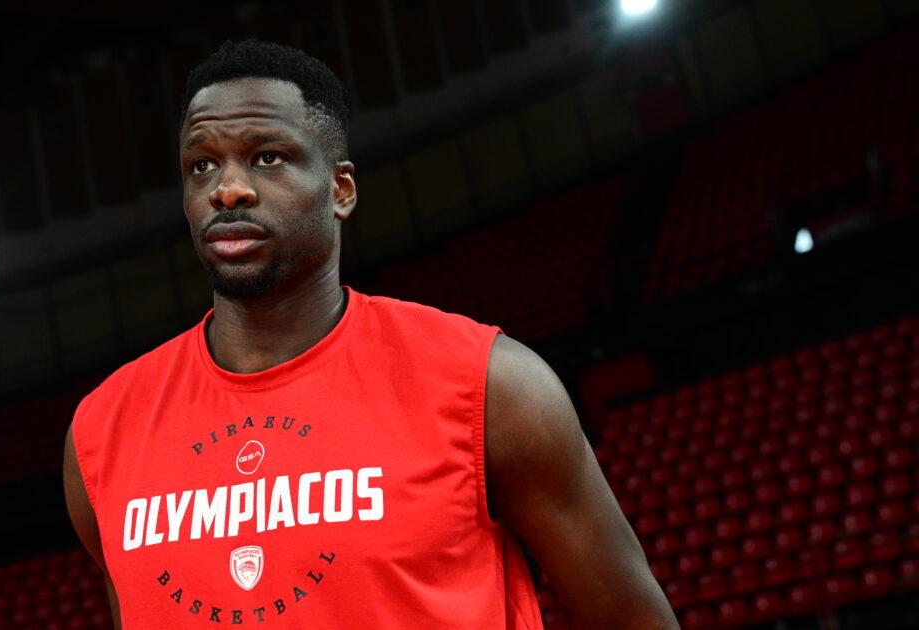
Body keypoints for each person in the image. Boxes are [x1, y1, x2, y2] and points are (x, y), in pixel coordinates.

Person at [63, 39, 679, 629]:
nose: (228, 190)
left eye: (267, 158)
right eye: (202, 165)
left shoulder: (490, 385)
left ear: (341, 190)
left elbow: (633, 620)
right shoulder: (102, 431)